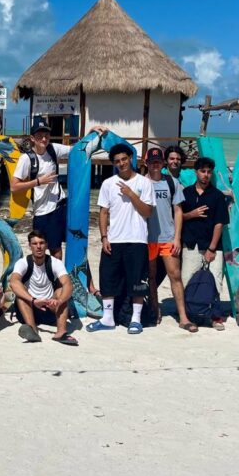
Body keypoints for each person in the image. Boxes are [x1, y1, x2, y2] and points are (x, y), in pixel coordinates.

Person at [87, 143, 155, 335]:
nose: (122, 163)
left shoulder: (144, 183)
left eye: (124, 159)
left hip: (137, 239)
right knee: (108, 278)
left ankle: (135, 319)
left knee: (137, 281)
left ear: (130, 159)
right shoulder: (108, 183)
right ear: (114, 164)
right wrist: (104, 237)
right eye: (117, 161)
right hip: (114, 239)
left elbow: (148, 212)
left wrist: (131, 194)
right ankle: (107, 319)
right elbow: (103, 212)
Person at [144, 148, 193, 332]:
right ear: (146, 163)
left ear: (162, 163)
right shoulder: (140, 183)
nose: (155, 164)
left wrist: (177, 238)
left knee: (175, 275)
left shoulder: (171, 182)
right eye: (152, 161)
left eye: (158, 161)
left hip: (167, 237)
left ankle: (183, 317)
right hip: (147, 239)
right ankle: (155, 310)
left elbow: (178, 211)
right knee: (151, 277)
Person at [10, 118, 73, 261]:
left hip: (59, 205)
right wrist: (39, 181)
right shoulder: (26, 159)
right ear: (32, 138)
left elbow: (78, 149)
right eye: (39, 136)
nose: (44, 139)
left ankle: (60, 280)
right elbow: (14, 187)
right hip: (41, 212)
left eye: (46, 135)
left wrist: (91, 134)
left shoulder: (53, 149)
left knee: (58, 250)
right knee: (40, 250)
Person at [179, 157, 230, 331]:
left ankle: (215, 317)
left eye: (209, 172)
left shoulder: (217, 196)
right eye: (203, 171)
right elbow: (177, 218)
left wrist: (212, 248)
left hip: (212, 247)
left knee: (215, 282)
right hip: (190, 245)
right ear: (196, 172)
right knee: (187, 281)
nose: (206, 175)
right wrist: (191, 214)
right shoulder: (186, 193)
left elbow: (219, 223)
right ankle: (190, 316)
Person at [9, 230, 77, 345]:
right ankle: (33, 330)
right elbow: (13, 281)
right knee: (21, 294)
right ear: (30, 246)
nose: (39, 247)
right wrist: (33, 300)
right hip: (29, 309)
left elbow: (68, 284)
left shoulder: (55, 262)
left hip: (50, 308)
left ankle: (61, 333)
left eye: (41, 243)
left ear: (46, 245)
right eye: (35, 244)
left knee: (61, 290)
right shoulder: (23, 262)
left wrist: (59, 301)